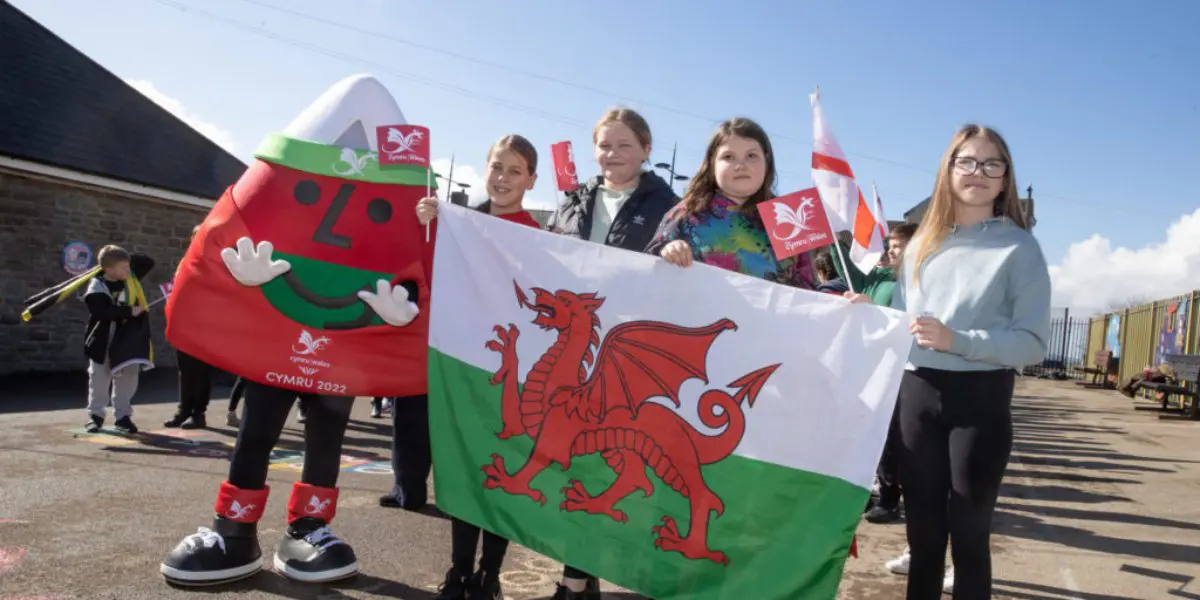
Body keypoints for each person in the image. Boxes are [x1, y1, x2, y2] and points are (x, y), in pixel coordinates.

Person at [847, 124, 1051, 599]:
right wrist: (872, 314)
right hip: (916, 396)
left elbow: (1032, 343)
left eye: (991, 163)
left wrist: (958, 340)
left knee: (969, 538)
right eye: (967, 161)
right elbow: (906, 323)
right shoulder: (921, 244)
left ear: (1005, 178)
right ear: (948, 169)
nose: (978, 172)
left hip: (981, 401)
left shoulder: (1020, 248)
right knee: (923, 536)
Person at [543, 107, 679, 600]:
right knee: (576, 462)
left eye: (625, 145)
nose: (613, 154)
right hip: (573, 349)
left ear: (646, 150)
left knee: (608, 462)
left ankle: (585, 577)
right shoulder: (571, 202)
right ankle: (577, 579)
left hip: (625, 355)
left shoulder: (671, 207)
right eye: (604, 145)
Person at [414, 134, 542, 600]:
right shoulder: (456, 224)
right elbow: (428, 275)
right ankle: (459, 570)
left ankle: (490, 573)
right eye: (496, 168)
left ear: (531, 180)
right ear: (484, 170)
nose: (503, 178)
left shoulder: (538, 237)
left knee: (501, 474)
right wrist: (427, 226)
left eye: (515, 171)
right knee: (463, 469)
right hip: (462, 369)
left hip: (510, 374)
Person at [647, 117, 814, 293]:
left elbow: (810, 289)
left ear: (767, 160)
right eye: (728, 157)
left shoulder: (790, 219)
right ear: (712, 163)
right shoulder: (687, 213)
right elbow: (647, 269)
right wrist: (668, 251)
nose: (740, 165)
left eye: (751, 156)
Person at [849, 223, 918, 524]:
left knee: (895, 439)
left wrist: (874, 311)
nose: (891, 252)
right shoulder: (882, 279)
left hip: (907, 373)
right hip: (876, 368)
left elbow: (905, 324)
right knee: (873, 435)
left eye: (897, 247)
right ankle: (871, 492)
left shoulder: (918, 284)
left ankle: (891, 499)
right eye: (889, 247)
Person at [84, 245, 156, 435]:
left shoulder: (130, 278)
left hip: (128, 340)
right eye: (123, 267)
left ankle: (123, 416)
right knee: (99, 379)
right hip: (103, 341)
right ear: (108, 270)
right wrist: (128, 311)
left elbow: (147, 262)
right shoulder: (96, 286)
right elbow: (101, 312)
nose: (128, 270)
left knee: (128, 378)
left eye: (128, 266)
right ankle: (95, 416)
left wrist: (120, 256)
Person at [167, 226, 215, 430]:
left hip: (205, 323)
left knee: (201, 371)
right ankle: (184, 410)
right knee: (186, 370)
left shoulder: (214, 263)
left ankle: (198, 413)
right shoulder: (185, 261)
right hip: (185, 322)